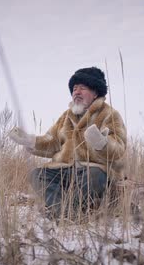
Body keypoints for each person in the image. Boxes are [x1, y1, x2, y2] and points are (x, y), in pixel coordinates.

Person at [9, 67, 127, 219]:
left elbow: (119, 147)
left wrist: (102, 143)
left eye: (82, 88)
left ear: (95, 93)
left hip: (93, 170)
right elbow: (51, 143)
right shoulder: (66, 116)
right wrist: (30, 140)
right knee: (37, 175)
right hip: (64, 170)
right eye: (74, 88)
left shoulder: (109, 114)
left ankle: (67, 212)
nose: (76, 92)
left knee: (95, 175)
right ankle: (65, 212)